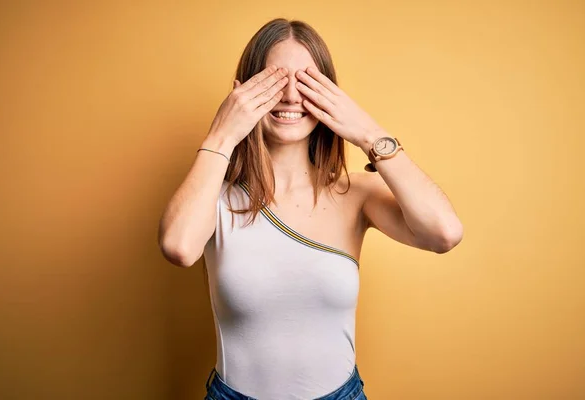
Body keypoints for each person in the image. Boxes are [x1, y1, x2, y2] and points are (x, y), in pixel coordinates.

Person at [158, 17, 463, 400]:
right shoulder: (213, 197)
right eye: (273, 82)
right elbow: (179, 247)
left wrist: (370, 134)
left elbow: (444, 233)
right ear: (242, 93)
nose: (289, 97)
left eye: (306, 82)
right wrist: (222, 133)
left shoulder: (357, 195)